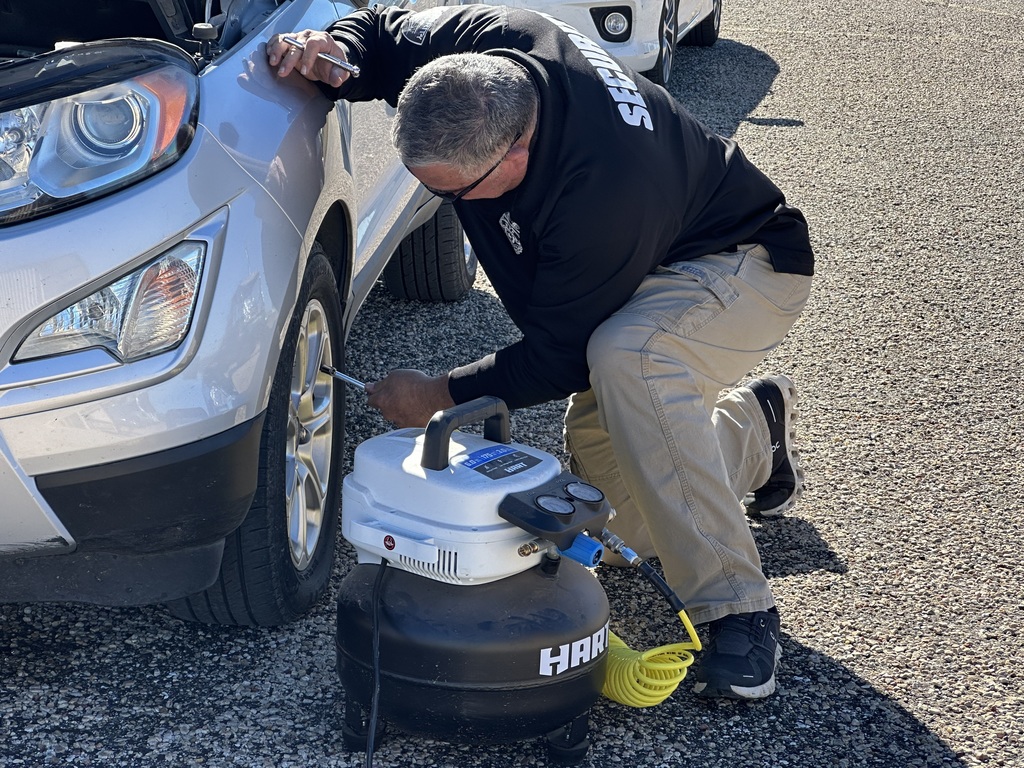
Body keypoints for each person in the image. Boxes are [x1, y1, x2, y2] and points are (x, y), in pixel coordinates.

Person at [267, 4, 813, 700]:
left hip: (739, 262)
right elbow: (376, 31)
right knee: (618, 518)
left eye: (449, 191)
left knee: (628, 357)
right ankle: (753, 430)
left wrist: (438, 396)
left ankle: (736, 608)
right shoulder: (488, 50)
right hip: (630, 270)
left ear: (516, 152)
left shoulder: (604, 184)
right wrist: (334, 50)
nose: (441, 200)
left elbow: (559, 356)